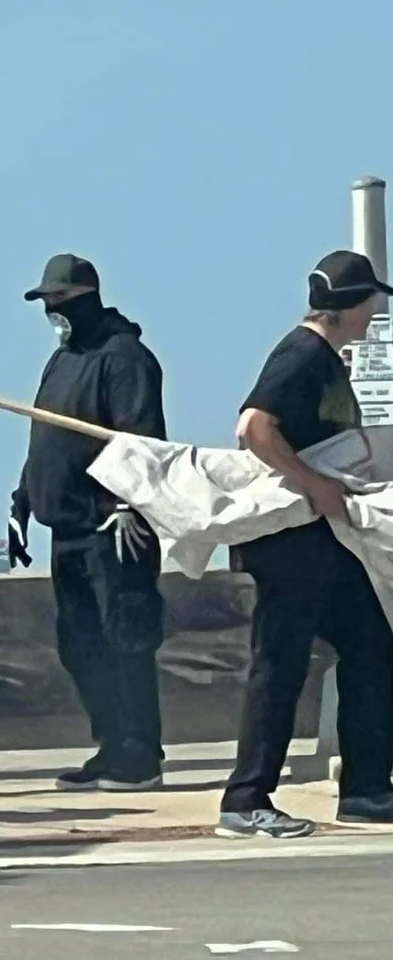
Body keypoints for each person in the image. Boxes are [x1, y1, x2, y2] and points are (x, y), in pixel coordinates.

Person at [217, 250, 393, 839]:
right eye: (371, 303)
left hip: (323, 541)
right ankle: (245, 799)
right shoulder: (302, 354)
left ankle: (367, 791)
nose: (375, 314)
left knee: (372, 644)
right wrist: (315, 485)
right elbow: (253, 427)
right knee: (280, 661)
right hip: (292, 542)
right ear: (349, 307)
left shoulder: (326, 357)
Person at [9, 253, 167, 792]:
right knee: (81, 645)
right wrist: (22, 501)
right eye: (45, 303)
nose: (51, 311)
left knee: (126, 639)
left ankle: (140, 753)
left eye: (59, 301)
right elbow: (45, 440)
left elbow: (141, 439)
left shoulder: (124, 358)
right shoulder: (61, 360)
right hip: (66, 530)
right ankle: (111, 743)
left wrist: (127, 504)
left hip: (111, 531)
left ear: (85, 299)